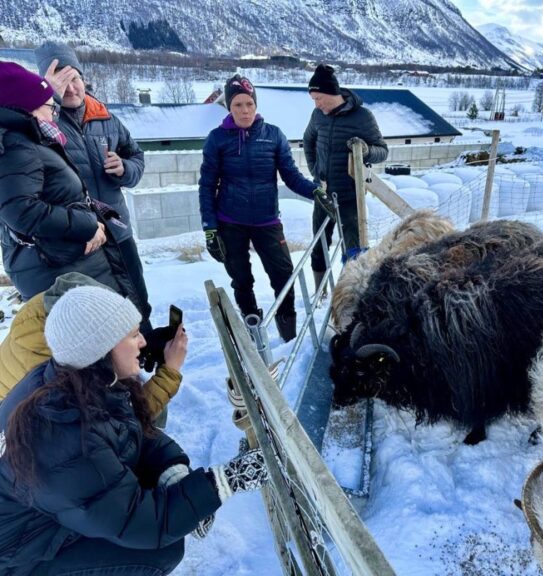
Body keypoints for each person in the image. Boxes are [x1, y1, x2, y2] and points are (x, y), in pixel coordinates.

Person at [0, 285, 268, 575]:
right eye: (132, 335)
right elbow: (145, 524)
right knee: (160, 550)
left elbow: (128, 429)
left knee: (155, 496)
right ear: (100, 349)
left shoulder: (76, 378)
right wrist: (226, 481)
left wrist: (172, 471)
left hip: (49, 513)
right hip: (20, 554)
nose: (143, 341)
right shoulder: (62, 435)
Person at [35, 42, 152, 333]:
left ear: (84, 78)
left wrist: (125, 168)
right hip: (82, 240)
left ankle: (146, 349)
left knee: (137, 297)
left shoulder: (106, 117)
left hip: (117, 228)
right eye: (62, 82)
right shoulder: (42, 121)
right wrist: (45, 97)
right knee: (101, 312)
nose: (72, 88)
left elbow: (136, 156)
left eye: (75, 78)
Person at [199, 74, 319, 342]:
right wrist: (209, 228)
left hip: (267, 221)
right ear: (229, 107)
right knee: (241, 280)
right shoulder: (217, 139)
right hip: (230, 221)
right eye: (238, 105)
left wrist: (317, 193)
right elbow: (207, 186)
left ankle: (288, 334)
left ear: (256, 105)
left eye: (249, 104)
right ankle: (253, 327)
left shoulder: (273, 135)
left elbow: (291, 176)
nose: (245, 111)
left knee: (284, 277)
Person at [0, 61, 132, 303]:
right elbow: (21, 211)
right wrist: (87, 224)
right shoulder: (16, 145)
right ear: (29, 107)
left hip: (73, 264)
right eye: (50, 105)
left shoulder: (28, 141)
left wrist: (125, 170)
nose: (54, 113)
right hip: (60, 271)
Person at [0, 272, 184, 421]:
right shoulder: (56, 370)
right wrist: (170, 372)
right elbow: (122, 423)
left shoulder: (58, 309)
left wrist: (137, 344)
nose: (141, 340)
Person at [303, 64, 388, 290]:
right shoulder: (317, 115)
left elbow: (383, 150)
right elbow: (308, 141)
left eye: (319, 98)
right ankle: (319, 294)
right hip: (323, 194)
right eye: (313, 99)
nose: (316, 104)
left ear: (332, 94)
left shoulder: (363, 117)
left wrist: (366, 151)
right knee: (319, 246)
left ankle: (351, 291)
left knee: (354, 250)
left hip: (350, 197)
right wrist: (314, 170)